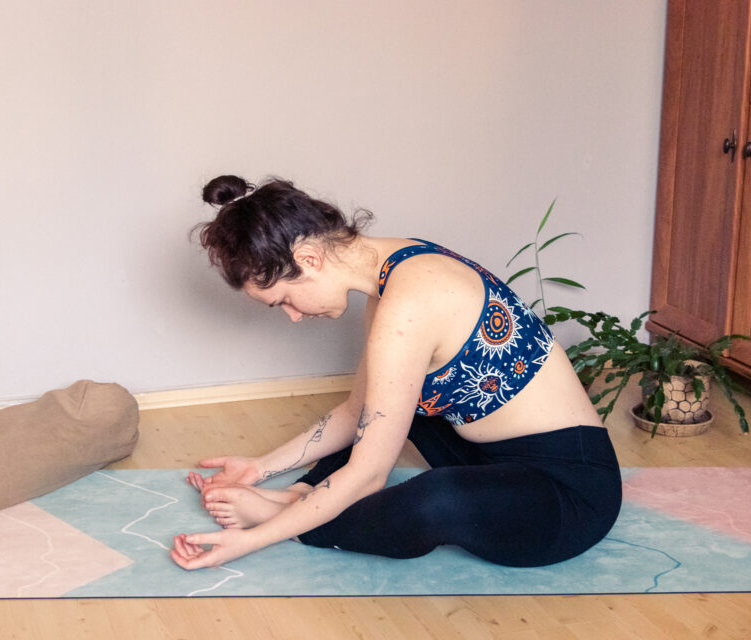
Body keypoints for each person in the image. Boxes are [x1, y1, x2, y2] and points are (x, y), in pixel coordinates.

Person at [171, 175, 621, 570]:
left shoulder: (409, 302)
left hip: (566, 493)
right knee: (387, 408)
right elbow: (358, 412)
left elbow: (370, 474)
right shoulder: (396, 270)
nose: (291, 315)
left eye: (284, 300)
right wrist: (259, 468)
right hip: (489, 459)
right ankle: (299, 496)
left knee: (435, 499)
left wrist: (251, 540)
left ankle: (289, 520)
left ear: (308, 259)